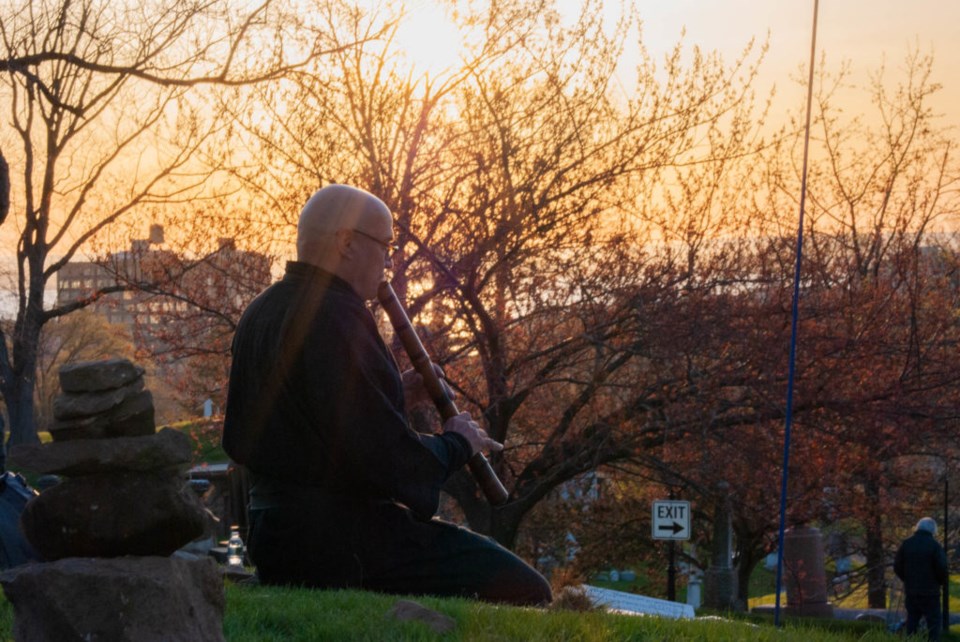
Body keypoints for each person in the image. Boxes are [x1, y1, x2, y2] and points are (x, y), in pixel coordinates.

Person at [222, 184, 552, 606]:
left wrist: (399, 389)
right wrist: (457, 444)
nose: (390, 263)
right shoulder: (339, 316)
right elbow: (383, 459)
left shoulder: (262, 310)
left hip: (273, 536)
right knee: (524, 588)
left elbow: (318, 418)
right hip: (342, 540)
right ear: (346, 243)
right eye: (385, 246)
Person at [894, 517, 948, 641]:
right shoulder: (935, 546)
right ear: (933, 530)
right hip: (930, 592)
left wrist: (907, 579)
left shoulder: (907, 544)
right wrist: (940, 582)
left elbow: (897, 566)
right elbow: (942, 567)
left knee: (912, 621)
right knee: (933, 624)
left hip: (912, 591)